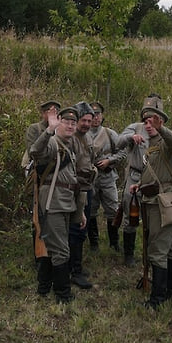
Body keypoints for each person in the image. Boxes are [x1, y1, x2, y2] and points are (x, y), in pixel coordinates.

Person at [29, 105, 87, 302]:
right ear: (58, 122)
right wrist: (49, 130)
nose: (70, 125)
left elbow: (72, 180)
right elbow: (35, 151)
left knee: (52, 247)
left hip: (65, 203)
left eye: (73, 122)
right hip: (53, 204)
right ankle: (63, 294)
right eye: (66, 122)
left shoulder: (69, 147)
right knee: (62, 250)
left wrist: (81, 211)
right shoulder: (53, 142)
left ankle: (44, 287)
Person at [132, 98, 172, 308]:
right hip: (151, 201)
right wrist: (139, 185)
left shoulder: (166, 143)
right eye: (146, 121)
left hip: (164, 203)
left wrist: (163, 130)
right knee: (168, 248)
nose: (149, 124)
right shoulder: (150, 146)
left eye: (154, 120)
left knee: (157, 251)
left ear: (161, 122)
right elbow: (154, 173)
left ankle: (157, 298)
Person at [115, 94, 161, 268]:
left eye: (154, 117)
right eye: (147, 117)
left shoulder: (163, 132)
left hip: (154, 180)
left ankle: (153, 254)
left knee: (153, 217)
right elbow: (117, 143)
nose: (149, 122)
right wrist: (130, 138)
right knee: (130, 216)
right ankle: (128, 254)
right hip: (134, 177)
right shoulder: (135, 128)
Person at [87, 102, 126, 253]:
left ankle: (114, 243)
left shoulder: (110, 134)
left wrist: (109, 161)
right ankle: (94, 243)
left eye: (98, 114)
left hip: (108, 177)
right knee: (91, 210)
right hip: (90, 179)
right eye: (93, 114)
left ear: (102, 116)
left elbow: (123, 153)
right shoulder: (83, 133)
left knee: (113, 210)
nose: (96, 117)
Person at [67, 101, 98, 288]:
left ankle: (76, 266)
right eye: (83, 120)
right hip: (75, 190)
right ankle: (73, 271)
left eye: (89, 120)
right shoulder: (70, 139)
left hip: (87, 188)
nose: (86, 124)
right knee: (75, 229)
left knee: (81, 230)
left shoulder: (87, 138)